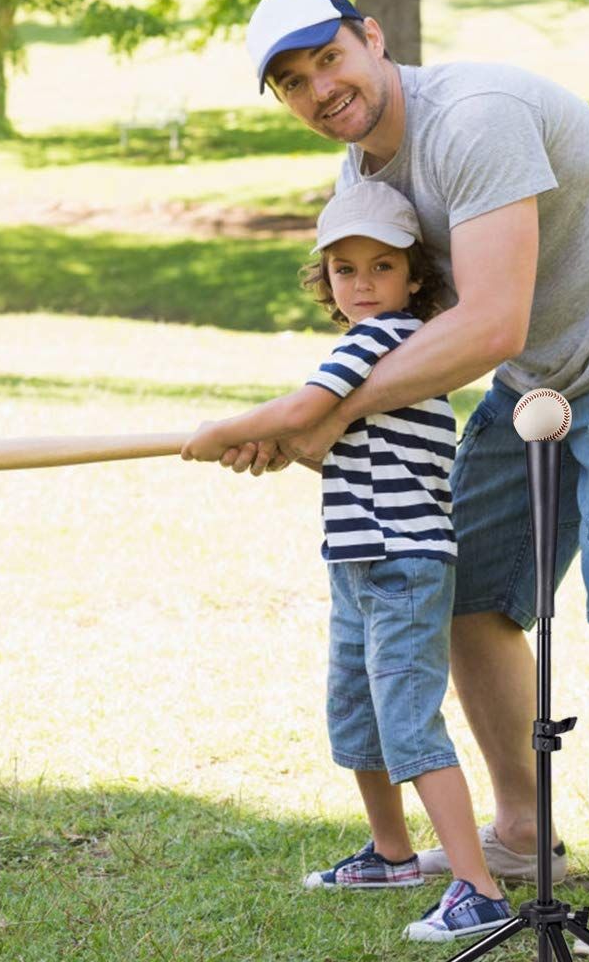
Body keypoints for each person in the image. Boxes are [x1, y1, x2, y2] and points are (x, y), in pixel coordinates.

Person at [232, 0, 589, 956]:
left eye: (328, 57)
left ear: (371, 37)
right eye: (293, 81)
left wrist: (313, 410)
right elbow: (394, 353)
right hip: (540, 375)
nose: (321, 88)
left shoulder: (475, 117)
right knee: (466, 594)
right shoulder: (361, 182)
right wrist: (303, 431)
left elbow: (488, 321)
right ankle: (521, 831)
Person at [182, 179, 512, 946]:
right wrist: (267, 449)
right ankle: (393, 854)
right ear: (325, 278)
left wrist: (219, 431)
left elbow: (301, 414)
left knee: (407, 719)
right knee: (358, 712)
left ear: (415, 276)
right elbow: (319, 445)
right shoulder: (372, 355)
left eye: (382, 267)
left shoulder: (384, 342)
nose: (362, 285)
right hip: (360, 560)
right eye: (344, 269)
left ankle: (478, 888)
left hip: (402, 563)